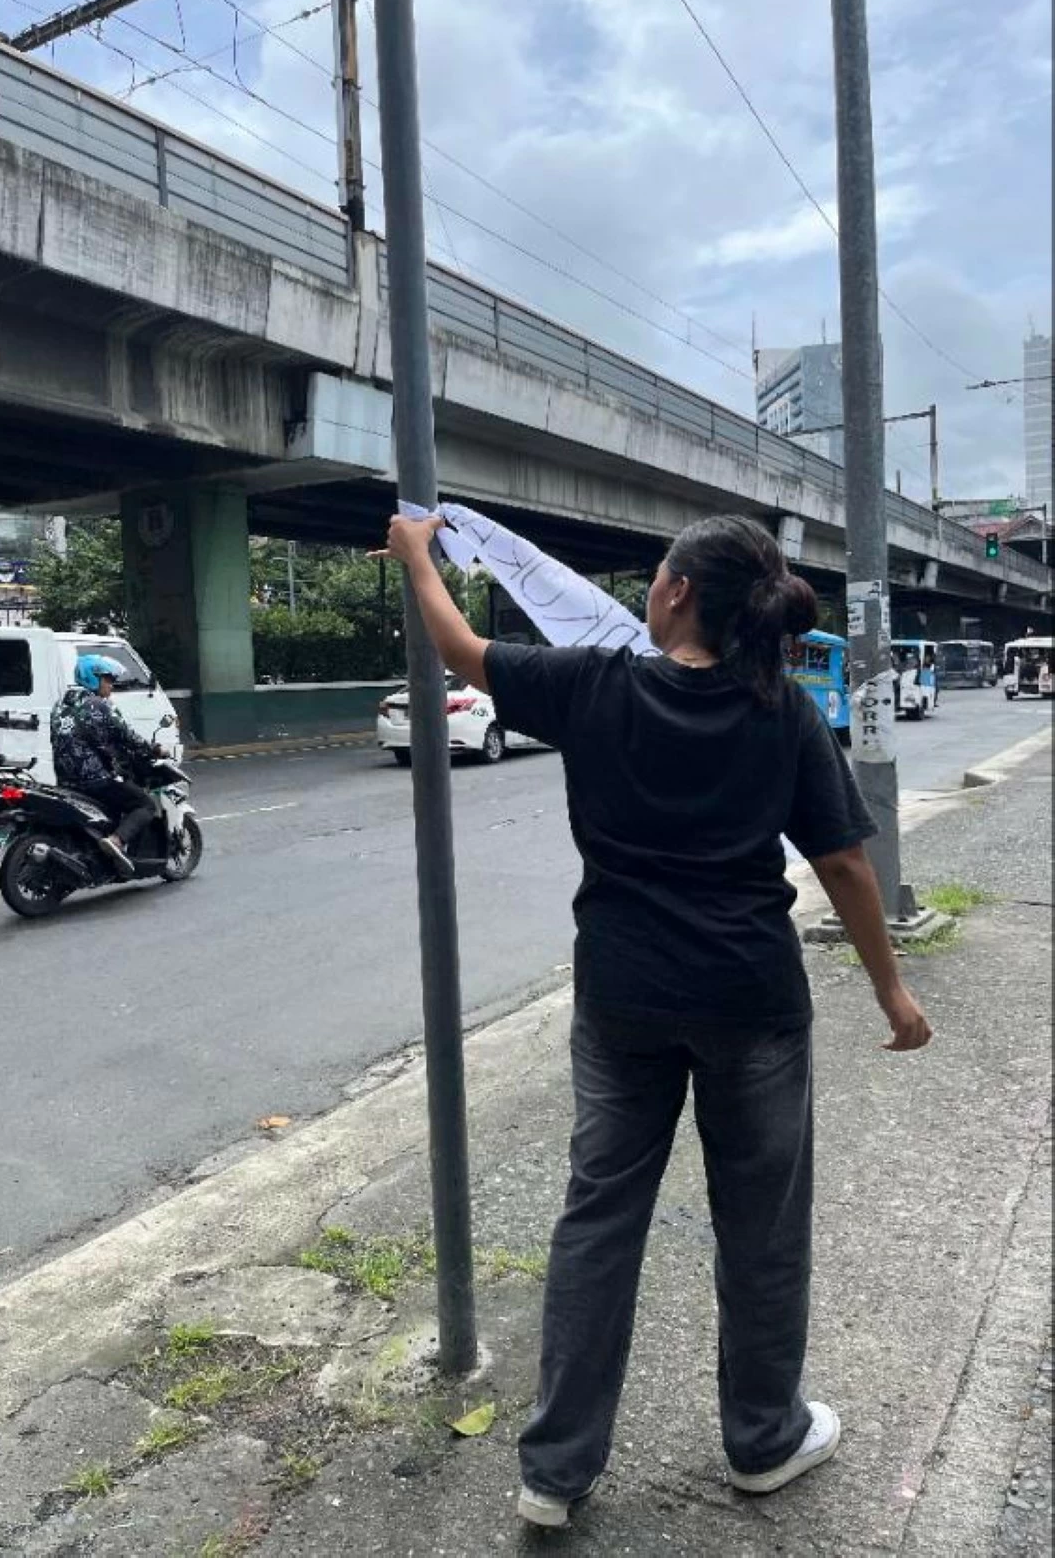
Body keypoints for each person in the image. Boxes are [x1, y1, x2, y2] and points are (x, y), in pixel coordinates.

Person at [372, 510, 933, 1530]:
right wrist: (891, 988)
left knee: (599, 1218)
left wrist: (417, 555)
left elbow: (459, 647)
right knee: (761, 1230)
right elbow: (846, 861)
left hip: (623, 998)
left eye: (660, 570)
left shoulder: (593, 685)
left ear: (675, 592)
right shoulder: (782, 710)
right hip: (752, 1001)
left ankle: (555, 1468)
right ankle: (764, 1438)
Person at [51, 655, 158, 877]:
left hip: (65, 780)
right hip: (94, 780)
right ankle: (116, 840)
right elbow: (127, 737)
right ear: (93, 679)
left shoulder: (60, 705)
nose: (111, 685)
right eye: (107, 679)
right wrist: (155, 750)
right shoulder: (100, 705)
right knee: (145, 804)